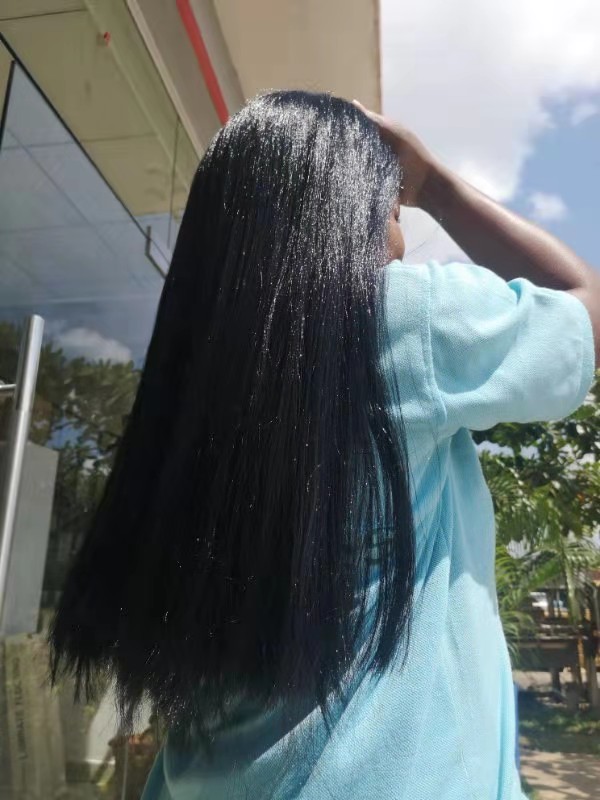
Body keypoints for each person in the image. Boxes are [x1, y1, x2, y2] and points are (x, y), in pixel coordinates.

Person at [50, 91, 599, 800]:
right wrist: (437, 186)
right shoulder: (396, 318)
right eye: (393, 209)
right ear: (346, 209)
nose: (399, 234)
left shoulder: (194, 374)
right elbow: (585, 307)